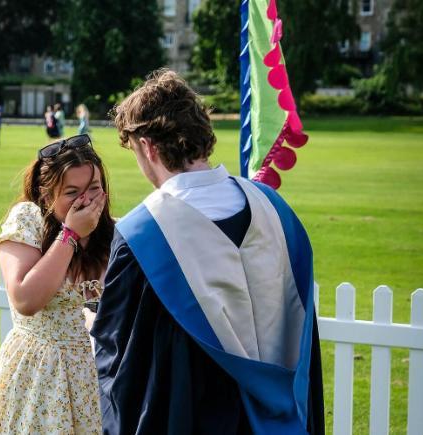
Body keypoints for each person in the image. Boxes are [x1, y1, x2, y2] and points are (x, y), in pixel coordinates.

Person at [88, 69, 325, 434]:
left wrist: (95, 321)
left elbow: (125, 364)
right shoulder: (277, 212)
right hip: (285, 419)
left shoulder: (145, 233)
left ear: (148, 146)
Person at [0, 134, 113, 434]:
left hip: (101, 375)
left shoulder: (112, 232)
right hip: (42, 376)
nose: (86, 200)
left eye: (94, 188)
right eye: (72, 192)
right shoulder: (28, 220)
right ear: (46, 194)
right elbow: (26, 300)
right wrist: (70, 235)